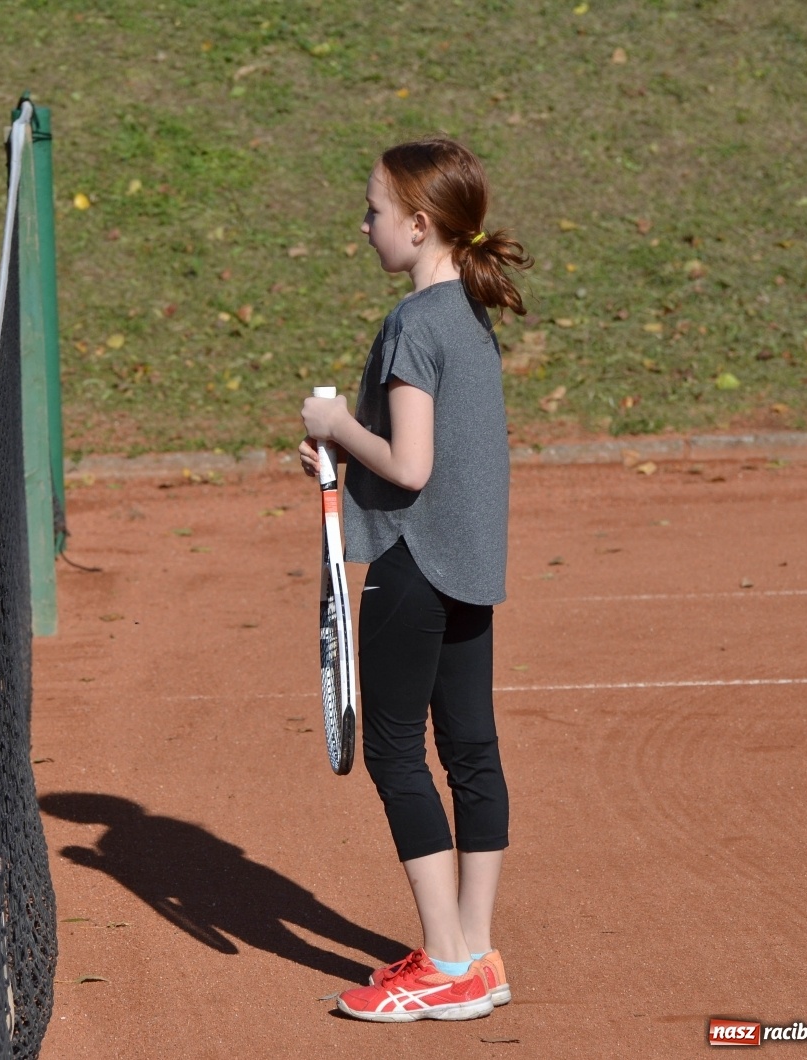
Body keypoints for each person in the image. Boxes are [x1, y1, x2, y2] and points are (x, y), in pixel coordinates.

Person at [298, 137, 531, 1022]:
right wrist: (341, 452)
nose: (364, 227)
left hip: (413, 564)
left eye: (373, 211)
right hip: (468, 567)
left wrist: (332, 423)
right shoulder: (469, 313)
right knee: (471, 749)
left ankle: (443, 961)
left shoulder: (412, 323)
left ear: (418, 224)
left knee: (396, 753)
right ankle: (473, 954)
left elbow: (410, 463)